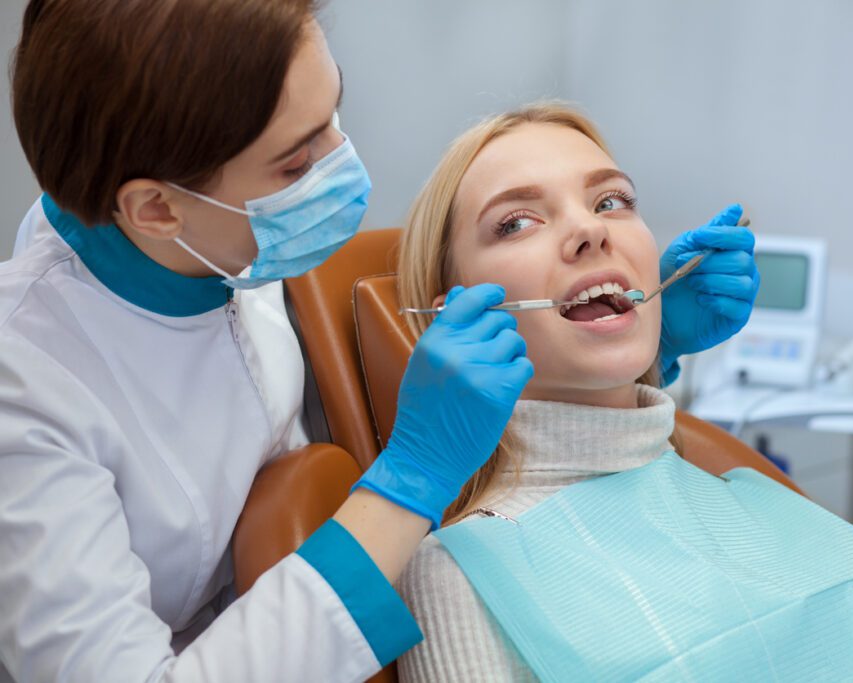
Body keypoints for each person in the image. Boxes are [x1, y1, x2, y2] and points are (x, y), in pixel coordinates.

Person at [0, 3, 758, 681]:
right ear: (157, 210)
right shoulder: (27, 387)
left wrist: (648, 347)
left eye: (611, 200)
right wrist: (411, 478)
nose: (342, 162)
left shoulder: (241, 250)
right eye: (297, 162)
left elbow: (511, 417)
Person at [394, 103, 853, 681]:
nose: (591, 229)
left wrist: (657, 353)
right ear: (456, 320)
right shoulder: (460, 572)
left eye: (611, 201)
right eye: (516, 222)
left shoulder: (737, 495)